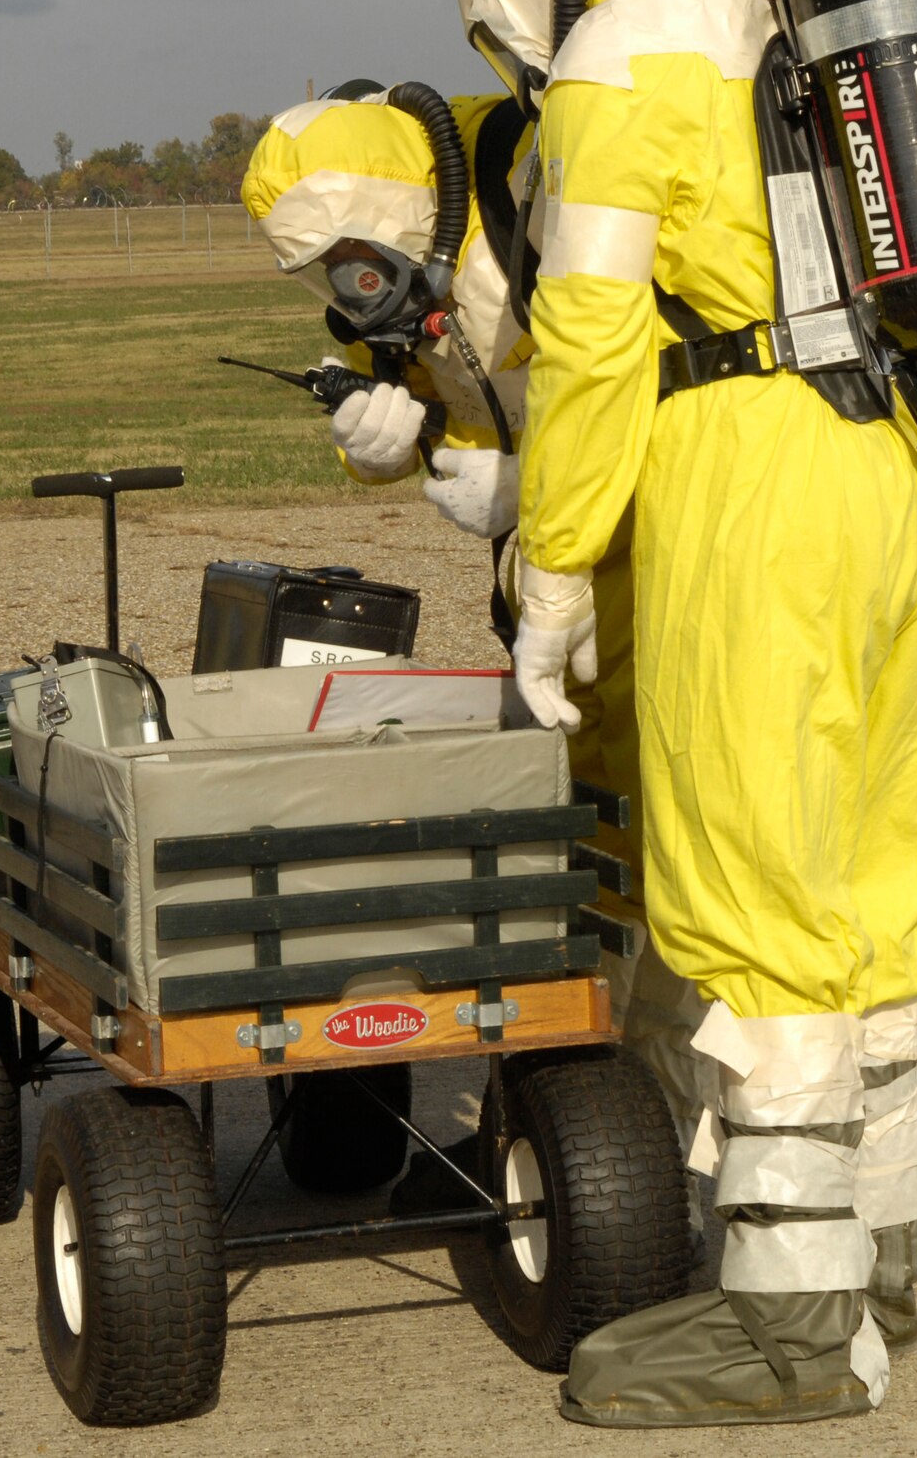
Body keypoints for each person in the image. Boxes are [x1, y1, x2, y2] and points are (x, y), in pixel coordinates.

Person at [459, 0, 917, 1424]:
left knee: (755, 902)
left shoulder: (619, 47)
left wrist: (553, 557)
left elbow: (597, 334)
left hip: (759, 482)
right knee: (877, 887)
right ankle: (881, 1257)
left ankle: (786, 1326)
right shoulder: (789, 16)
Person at [241, 86, 705, 1149]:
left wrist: (521, 491)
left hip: (656, 574)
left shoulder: (538, 211)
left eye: (348, 255)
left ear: (394, 207)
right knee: (574, 852)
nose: (346, 286)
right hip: (544, 601)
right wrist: (376, 448)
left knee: (664, 850)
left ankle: (652, 1130)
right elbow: (420, 402)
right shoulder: (393, 279)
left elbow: (651, 407)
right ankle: (573, 1126)